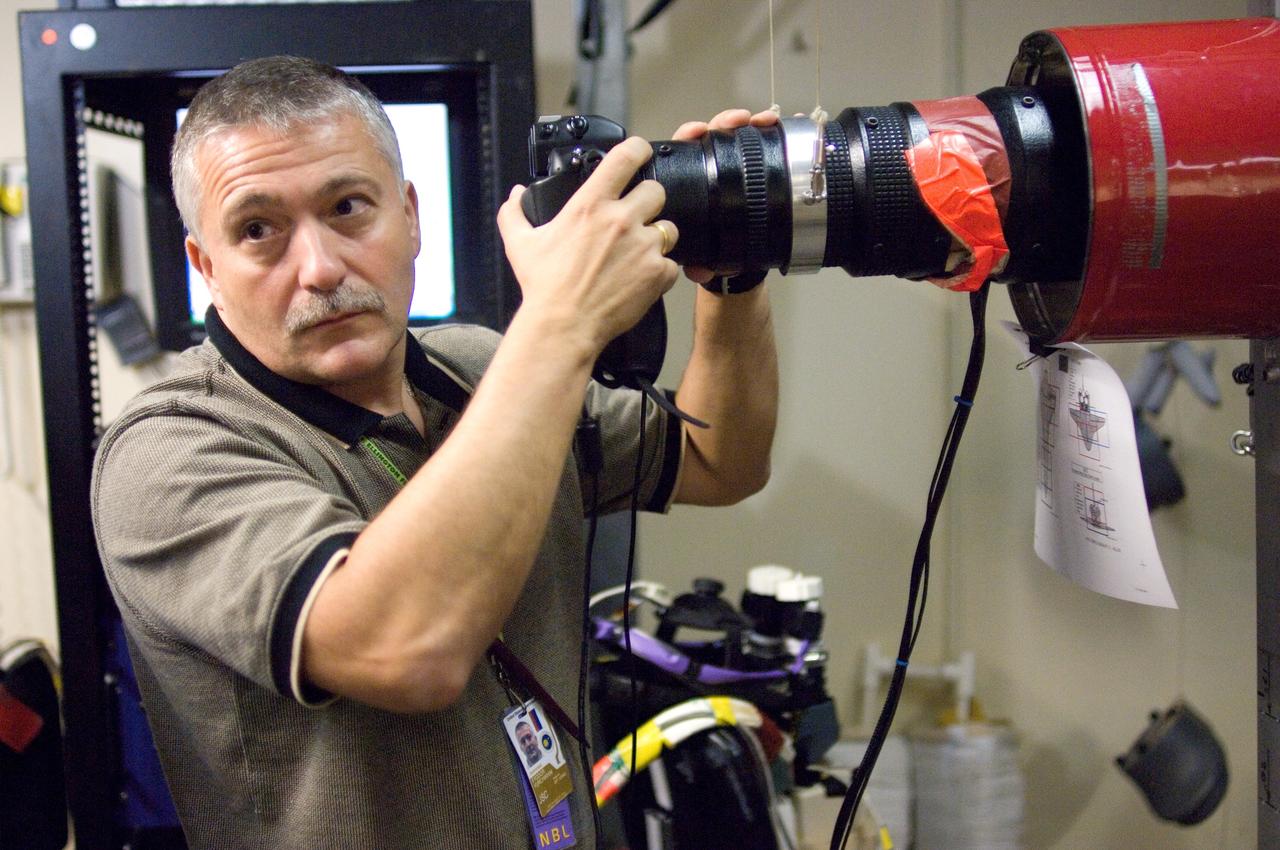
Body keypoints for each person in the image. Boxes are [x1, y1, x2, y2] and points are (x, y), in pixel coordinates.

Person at [91, 55, 777, 849]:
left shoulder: (479, 368)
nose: (317, 269)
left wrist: (733, 272)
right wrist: (559, 325)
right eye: (257, 230)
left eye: (348, 207)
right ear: (206, 267)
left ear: (411, 216)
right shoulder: (170, 451)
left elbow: (721, 459)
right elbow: (405, 648)